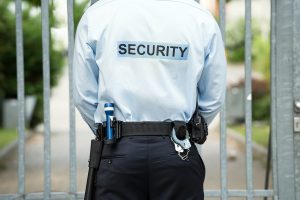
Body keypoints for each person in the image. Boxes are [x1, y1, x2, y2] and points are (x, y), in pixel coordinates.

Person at [73, 0, 226, 199]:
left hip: (117, 148)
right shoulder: (200, 18)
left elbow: (84, 95)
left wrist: (111, 132)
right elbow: (213, 97)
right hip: (178, 148)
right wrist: (186, 130)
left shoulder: (97, 15)